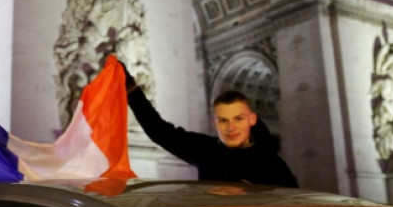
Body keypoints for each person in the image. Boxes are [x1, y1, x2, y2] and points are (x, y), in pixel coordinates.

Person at [119, 61, 297, 187]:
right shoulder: (206, 150)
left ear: (252, 119)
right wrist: (131, 89)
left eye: (238, 119)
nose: (231, 127)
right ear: (215, 123)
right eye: (223, 120)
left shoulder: (274, 166)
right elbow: (159, 131)